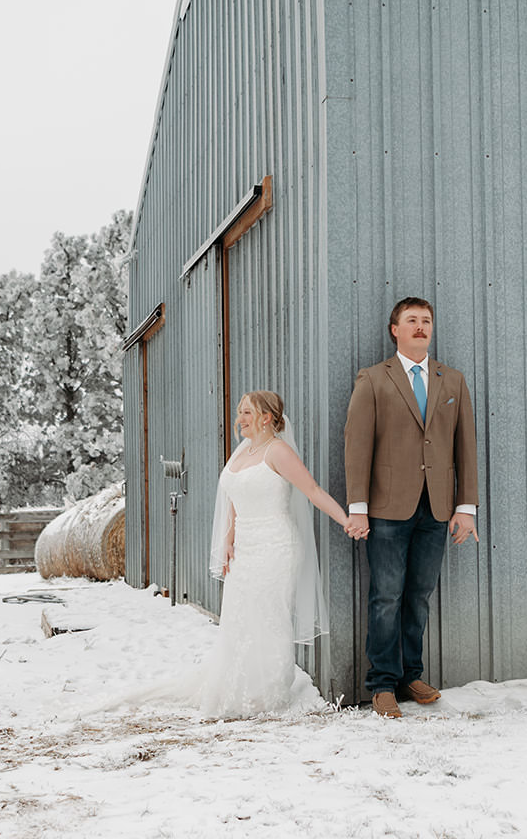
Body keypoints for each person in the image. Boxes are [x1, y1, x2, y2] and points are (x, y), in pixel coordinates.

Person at [343, 297, 479, 718]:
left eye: (426, 321)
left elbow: (466, 448)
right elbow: (357, 446)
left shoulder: (452, 381)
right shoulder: (373, 379)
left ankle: (410, 676)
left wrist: (466, 506)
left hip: (436, 508)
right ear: (395, 329)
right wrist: (358, 507)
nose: (421, 327)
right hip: (386, 507)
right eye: (412, 321)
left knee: (418, 595)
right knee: (386, 595)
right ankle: (382, 683)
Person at [190, 389, 355, 718]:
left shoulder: (278, 452)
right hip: (245, 550)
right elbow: (235, 501)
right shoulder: (242, 453)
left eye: (248, 413)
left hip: (277, 546)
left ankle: (269, 693)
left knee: (268, 617)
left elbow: (313, 490)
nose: (240, 419)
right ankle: (238, 686)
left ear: (267, 418)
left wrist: (346, 521)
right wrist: (228, 538)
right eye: (240, 412)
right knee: (239, 618)